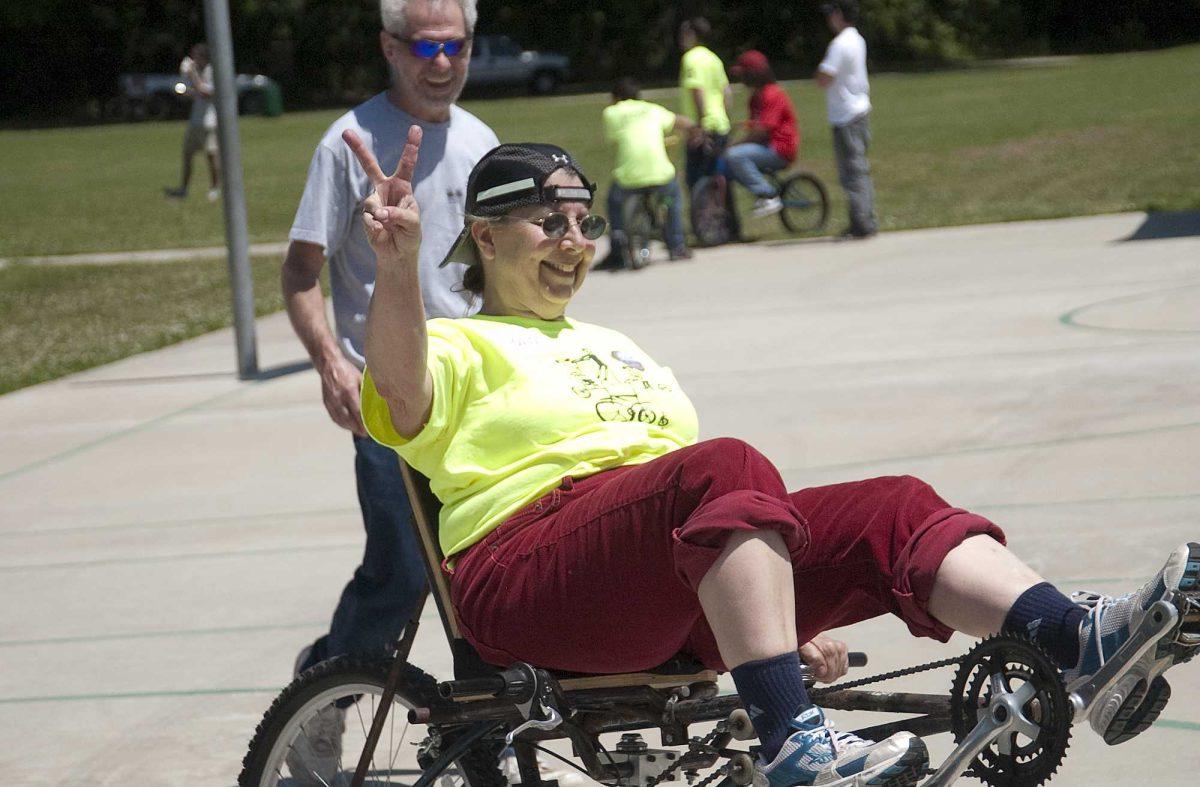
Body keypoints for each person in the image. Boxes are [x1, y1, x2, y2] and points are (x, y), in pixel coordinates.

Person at [351, 132, 1199, 787]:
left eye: (585, 222)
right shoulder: (455, 342)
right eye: (549, 221)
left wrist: (795, 619)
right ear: (486, 238)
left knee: (891, 505)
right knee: (724, 466)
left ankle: (1079, 638)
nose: (574, 242)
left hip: (654, 576)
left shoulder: (620, 346)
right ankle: (795, 739)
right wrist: (395, 268)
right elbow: (401, 394)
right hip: (532, 575)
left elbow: (709, 527)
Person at [280, 0, 496, 778]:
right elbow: (301, 272)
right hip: (387, 399)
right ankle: (321, 698)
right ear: (389, 47)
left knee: (489, 568)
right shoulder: (349, 142)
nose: (441, 61)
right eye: (423, 45)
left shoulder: (481, 141)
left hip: (475, 396)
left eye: (456, 44)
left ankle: (481, 732)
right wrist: (333, 365)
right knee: (405, 572)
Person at [594, 78, 695, 272]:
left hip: (629, 176)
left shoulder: (611, 113)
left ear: (615, 97)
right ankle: (677, 246)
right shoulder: (652, 109)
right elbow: (682, 122)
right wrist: (695, 130)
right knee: (673, 199)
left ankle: (618, 249)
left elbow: (614, 139)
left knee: (614, 202)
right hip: (660, 173)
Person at [816, 0, 877, 239]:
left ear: (840, 14)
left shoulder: (839, 44)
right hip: (858, 110)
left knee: (852, 171)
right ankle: (865, 218)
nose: (829, 19)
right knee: (858, 169)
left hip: (846, 114)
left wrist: (818, 75)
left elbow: (824, 77)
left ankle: (861, 223)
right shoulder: (857, 39)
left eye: (831, 13)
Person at [726, 50, 800, 219]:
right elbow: (754, 128)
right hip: (765, 146)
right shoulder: (754, 98)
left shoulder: (773, 95)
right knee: (728, 160)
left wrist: (736, 145)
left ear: (753, 74)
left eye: (743, 74)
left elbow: (762, 131)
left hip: (780, 149)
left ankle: (768, 195)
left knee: (735, 156)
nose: (741, 78)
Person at [678, 16, 732, 190]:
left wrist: (700, 126)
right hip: (721, 125)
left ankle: (703, 217)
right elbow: (727, 95)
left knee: (696, 183)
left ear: (692, 35)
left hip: (703, 127)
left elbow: (697, 91)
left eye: (684, 34)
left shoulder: (691, 58)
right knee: (718, 180)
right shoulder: (714, 59)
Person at [164, 43, 220, 201]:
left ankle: (215, 188)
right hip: (195, 121)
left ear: (204, 57)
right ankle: (183, 189)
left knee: (211, 156)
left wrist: (192, 74)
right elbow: (197, 93)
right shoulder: (198, 73)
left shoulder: (211, 72)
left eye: (196, 56)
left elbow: (206, 92)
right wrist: (183, 92)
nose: (193, 60)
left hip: (209, 122)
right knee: (187, 155)